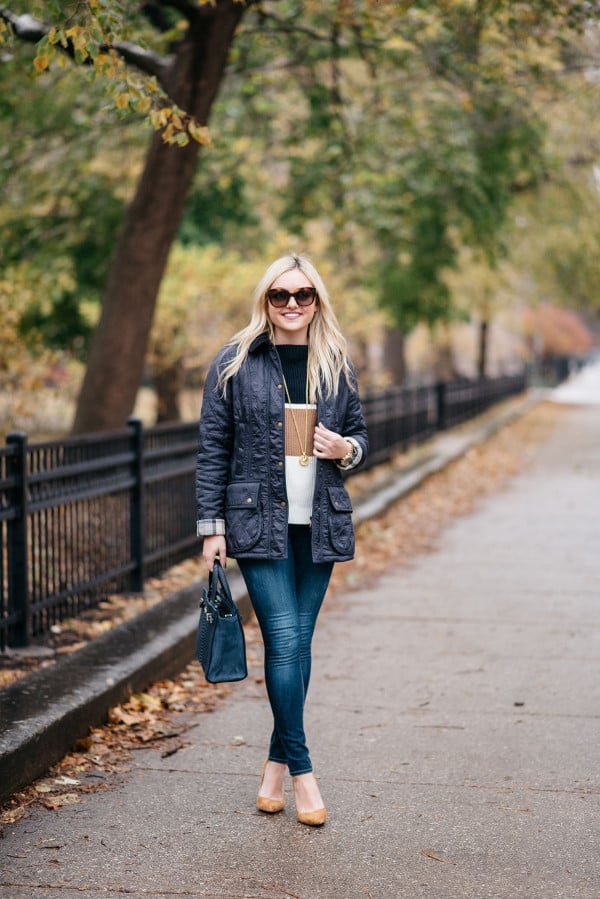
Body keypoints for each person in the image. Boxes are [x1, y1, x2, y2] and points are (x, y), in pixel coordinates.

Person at [196, 253, 368, 826]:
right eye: (280, 295)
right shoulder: (235, 360)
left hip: (318, 520)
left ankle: (273, 764)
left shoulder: (336, 362)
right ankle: (302, 771)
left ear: (317, 300)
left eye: (303, 295)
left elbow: (361, 436)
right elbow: (213, 450)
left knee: (298, 644)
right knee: (285, 637)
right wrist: (211, 530)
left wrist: (346, 449)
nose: (292, 305)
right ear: (264, 300)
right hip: (256, 522)